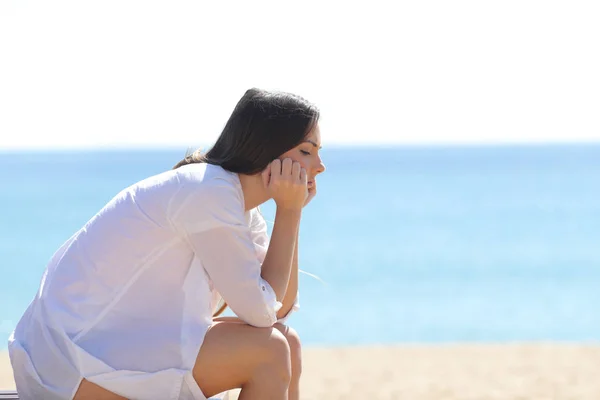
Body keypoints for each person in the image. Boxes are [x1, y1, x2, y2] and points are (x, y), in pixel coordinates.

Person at [8, 88, 326, 400]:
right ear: (267, 147)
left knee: (287, 341)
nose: (320, 166)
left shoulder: (240, 207)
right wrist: (288, 211)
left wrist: (291, 214)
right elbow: (262, 313)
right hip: (70, 365)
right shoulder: (208, 191)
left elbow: (278, 308)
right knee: (270, 350)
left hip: (110, 350)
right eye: (306, 151)